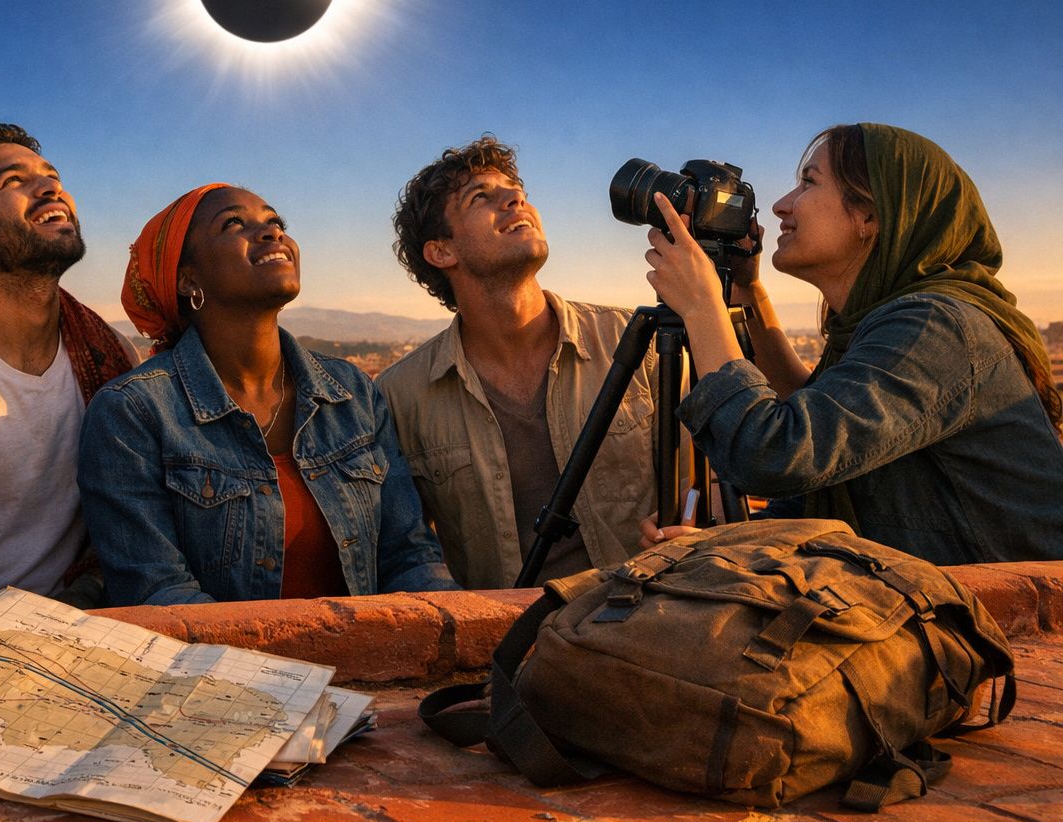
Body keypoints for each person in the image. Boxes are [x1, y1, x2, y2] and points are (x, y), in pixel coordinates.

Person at [641, 123, 1063, 564]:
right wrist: (747, 292)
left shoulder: (936, 326)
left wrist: (703, 308)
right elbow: (817, 442)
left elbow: (772, 454)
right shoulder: (876, 326)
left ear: (870, 217)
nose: (781, 205)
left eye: (808, 182)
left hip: (1004, 617)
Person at [78, 184, 458, 605]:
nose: (272, 233)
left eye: (275, 222)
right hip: (218, 668)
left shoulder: (351, 393)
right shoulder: (133, 412)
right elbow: (159, 593)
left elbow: (409, 556)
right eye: (234, 223)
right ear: (187, 278)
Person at [378, 136, 664, 589]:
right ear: (441, 251)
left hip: (644, 621)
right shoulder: (400, 395)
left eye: (517, 192)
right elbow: (405, 551)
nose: (516, 200)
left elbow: (701, 494)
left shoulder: (634, 342)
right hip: (506, 645)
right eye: (481, 198)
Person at [0, 123, 135, 612]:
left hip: (86, 612)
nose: (50, 188)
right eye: (13, 181)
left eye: (51, 176)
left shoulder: (112, 356)